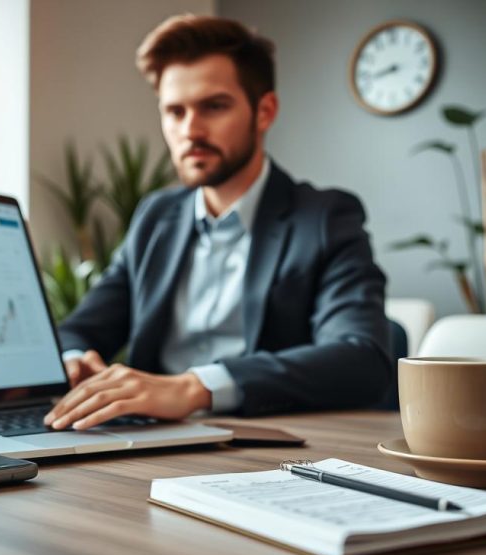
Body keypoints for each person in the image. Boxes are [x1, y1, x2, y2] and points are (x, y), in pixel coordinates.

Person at [44, 15, 390, 431]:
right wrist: (74, 361)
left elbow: (362, 358)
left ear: (265, 112)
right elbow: (77, 330)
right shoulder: (156, 217)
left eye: (214, 106)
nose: (190, 130)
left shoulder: (324, 218)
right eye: (175, 111)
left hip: (266, 446)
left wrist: (195, 388)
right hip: (148, 441)